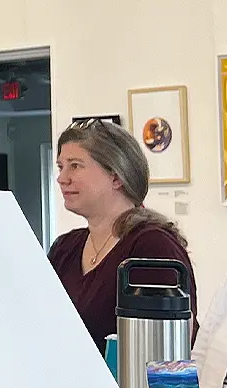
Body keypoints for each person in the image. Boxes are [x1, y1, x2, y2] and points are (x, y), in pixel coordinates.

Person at [48, 119, 197, 353]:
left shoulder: (152, 246)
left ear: (116, 176)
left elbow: (167, 354)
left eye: (75, 166)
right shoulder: (66, 248)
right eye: (61, 167)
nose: (62, 178)